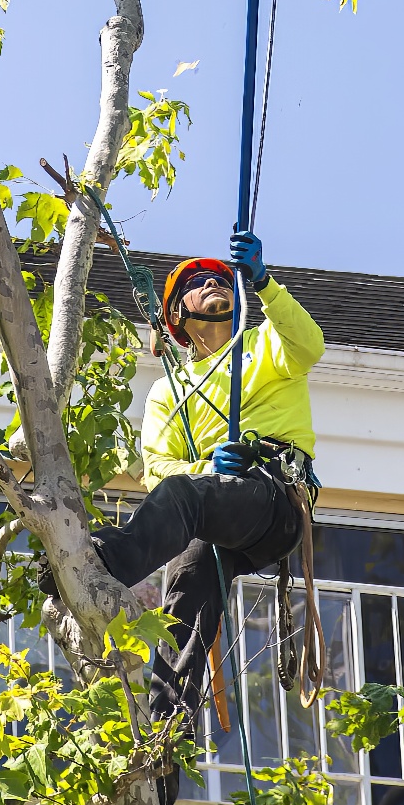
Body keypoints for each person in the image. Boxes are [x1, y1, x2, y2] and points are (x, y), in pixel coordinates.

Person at [91, 230, 323, 776]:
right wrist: (205, 471)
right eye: (197, 284)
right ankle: (167, 741)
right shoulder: (169, 393)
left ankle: (109, 564)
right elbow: (159, 471)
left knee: (190, 502)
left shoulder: (266, 344)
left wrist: (264, 282)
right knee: (187, 588)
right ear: (177, 319)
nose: (213, 283)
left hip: (274, 500)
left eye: (221, 278)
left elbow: (310, 346)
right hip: (220, 513)